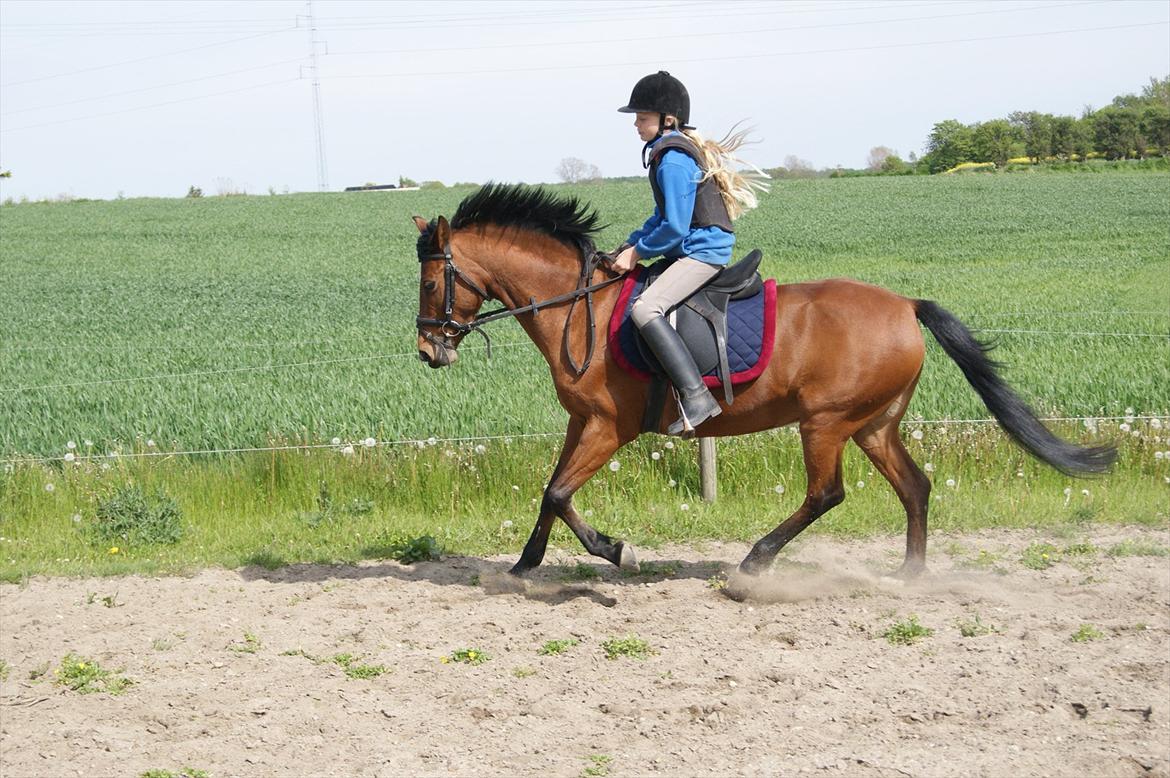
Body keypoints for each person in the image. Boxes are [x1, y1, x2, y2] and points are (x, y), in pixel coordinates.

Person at [610, 70, 768, 436]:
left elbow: (675, 228)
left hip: (702, 253)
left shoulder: (674, 160)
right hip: (692, 248)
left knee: (646, 308)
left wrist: (638, 254)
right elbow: (660, 216)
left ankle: (696, 398)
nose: (635, 124)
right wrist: (630, 244)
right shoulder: (669, 153)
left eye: (642, 117)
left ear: (668, 119)